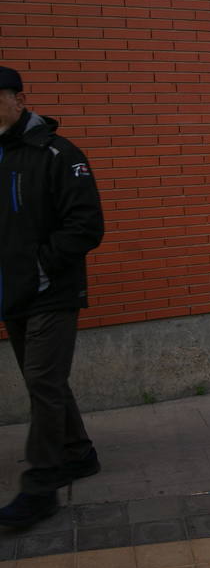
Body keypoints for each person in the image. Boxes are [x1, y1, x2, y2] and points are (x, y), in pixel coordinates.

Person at [0, 66, 104, 528]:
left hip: (52, 292)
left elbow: (86, 225)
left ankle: (41, 485)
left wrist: (41, 267)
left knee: (42, 383)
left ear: (19, 100)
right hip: (12, 292)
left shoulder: (59, 154)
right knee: (46, 381)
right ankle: (78, 453)